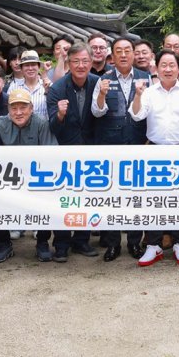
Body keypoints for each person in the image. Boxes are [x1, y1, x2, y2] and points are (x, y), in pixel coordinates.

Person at [129, 49, 179, 266]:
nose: (168, 69)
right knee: (154, 199)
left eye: (172, 65)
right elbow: (137, 115)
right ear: (156, 67)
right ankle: (153, 245)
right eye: (163, 65)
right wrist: (137, 95)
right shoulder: (148, 92)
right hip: (156, 150)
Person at [0, 87, 60, 263]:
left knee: (46, 199)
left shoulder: (41, 123)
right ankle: (3, 244)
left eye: (23, 107)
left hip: (36, 177)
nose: (18, 112)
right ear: (8, 110)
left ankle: (42, 243)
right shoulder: (2, 122)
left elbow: (52, 153)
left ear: (31, 108)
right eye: (14, 108)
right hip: (10, 177)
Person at [91, 37, 150, 260]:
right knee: (112, 196)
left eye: (127, 50)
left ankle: (134, 243)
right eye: (119, 51)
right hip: (110, 145)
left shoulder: (146, 78)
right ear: (112, 56)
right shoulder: (103, 79)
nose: (123, 55)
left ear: (134, 54)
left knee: (136, 195)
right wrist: (102, 94)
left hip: (137, 142)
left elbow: (150, 111)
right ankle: (113, 244)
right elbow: (96, 112)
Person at [45, 43, 101, 260]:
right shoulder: (58, 88)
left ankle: (82, 241)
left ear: (91, 62)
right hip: (65, 151)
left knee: (86, 198)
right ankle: (61, 244)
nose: (80, 65)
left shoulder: (97, 83)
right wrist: (60, 115)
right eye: (76, 61)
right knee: (64, 199)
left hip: (91, 150)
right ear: (68, 62)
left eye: (85, 61)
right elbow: (52, 127)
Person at [8, 49, 50, 120]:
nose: (30, 68)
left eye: (33, 65)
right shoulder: (13, 87)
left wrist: (47, 92)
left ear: (38, 67)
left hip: (44, 126)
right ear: (21, 69)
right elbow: (9, 111)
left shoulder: (47, 85)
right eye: (26, 65)